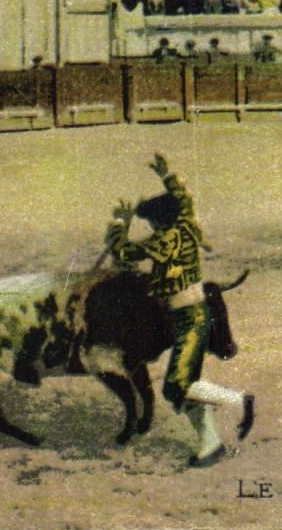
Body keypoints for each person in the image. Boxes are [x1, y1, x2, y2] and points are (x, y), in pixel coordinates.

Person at [105, 153, 254, 467]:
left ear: (159, 221)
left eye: (151, 222)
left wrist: (120, 221)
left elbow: (123, 251)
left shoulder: (162, 241)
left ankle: (240, 401)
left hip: (189, 318)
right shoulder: (187, 224)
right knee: (182, 388)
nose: (151, 226)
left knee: (178, 385)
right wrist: (167, 175)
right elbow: (186, 198)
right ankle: (210, 446)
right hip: (192, 314)